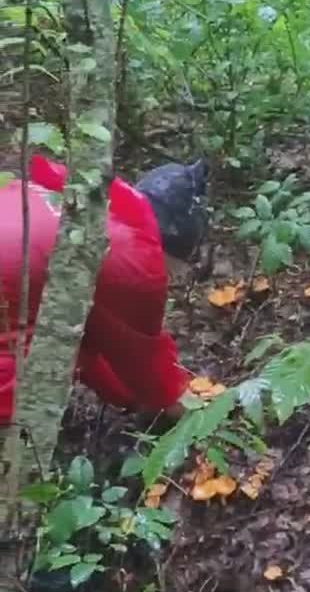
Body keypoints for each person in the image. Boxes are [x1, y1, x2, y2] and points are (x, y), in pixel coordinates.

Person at [0, 154, 208, 426]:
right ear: (169, 250)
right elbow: (147, 365)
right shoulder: (136, 258)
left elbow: (89, 338)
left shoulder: (80, 201)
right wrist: (194, 413)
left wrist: (127, 398)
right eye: (171, 273)